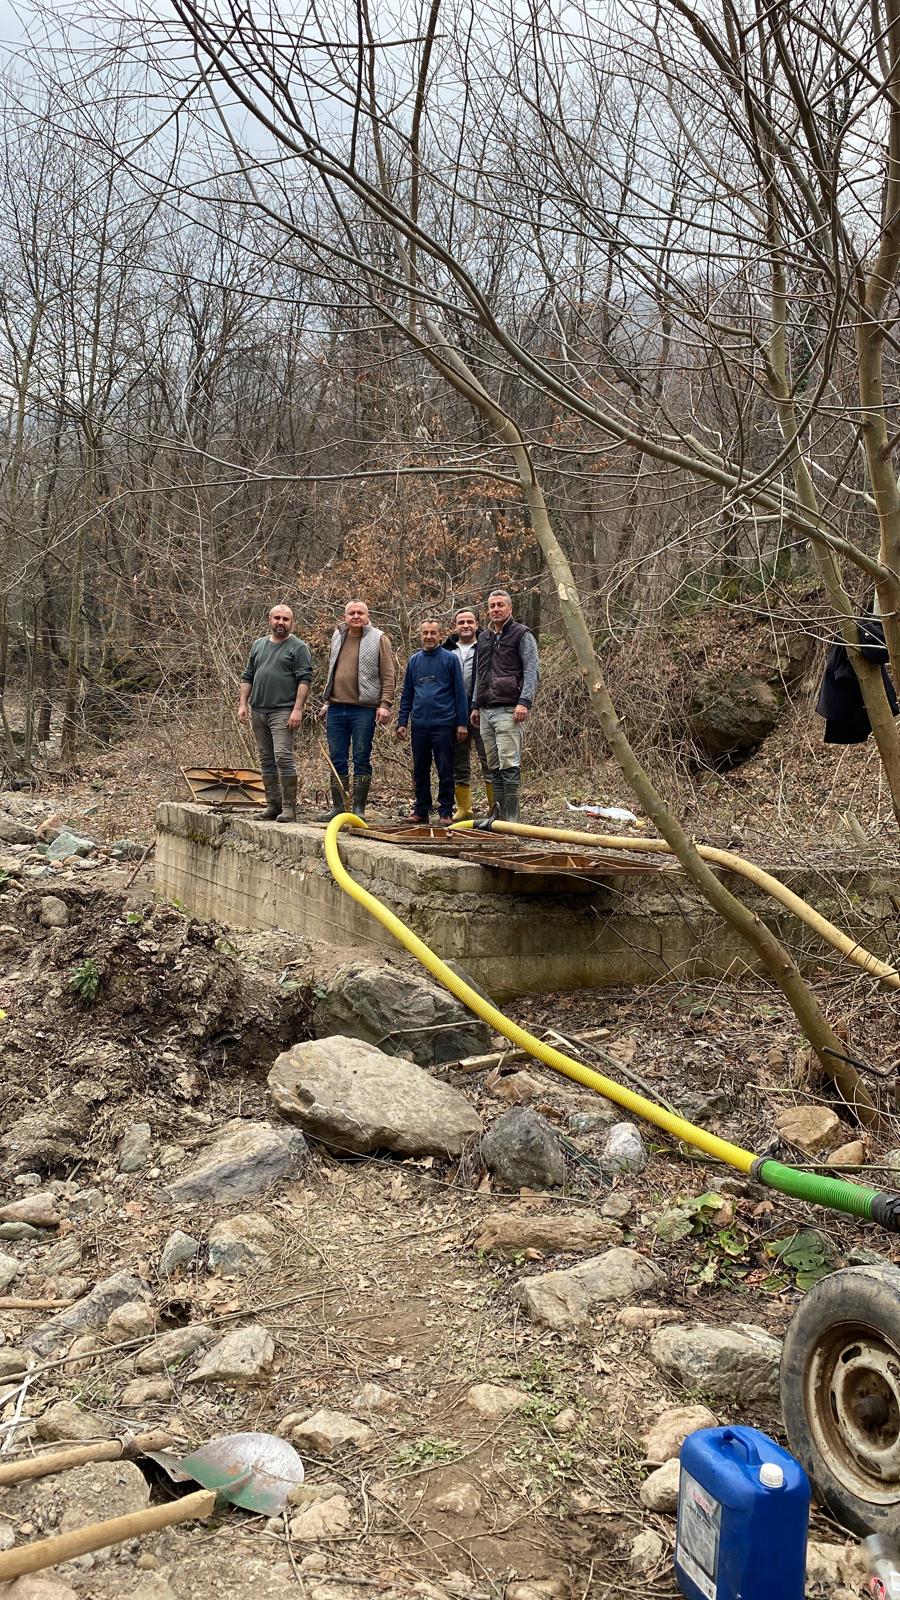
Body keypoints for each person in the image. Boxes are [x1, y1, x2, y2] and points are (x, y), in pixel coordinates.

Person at [319, 599, 396, 819]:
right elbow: (334, 670)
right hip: (336, 708)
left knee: (361, 756)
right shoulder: (338, 635)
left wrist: (385, 704)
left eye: (360, 613)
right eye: (351, 613)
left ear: (367, 615)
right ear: (345, 616)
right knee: (337, 758)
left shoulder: (379, 638)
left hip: (364, 709)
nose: (355, 616)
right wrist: (327, 701)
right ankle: (338, 807)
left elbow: (388, 674)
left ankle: (358, 809)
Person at [237, 603, 312, 822]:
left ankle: (289, 808)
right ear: (270, 620)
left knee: (283, 757)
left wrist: (297, 709)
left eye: (285, 619)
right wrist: (243, 704)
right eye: (277, 618)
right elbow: (248, 675)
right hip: (258, 710)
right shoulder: (258, 645)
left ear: (292, 622)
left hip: (283, 711)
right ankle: (273, 805)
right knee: (266, 758)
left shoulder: (299, 648)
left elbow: (304, 680)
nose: (281, 622)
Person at [471, 590, 539, 822]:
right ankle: (497, 819)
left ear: (510, 608)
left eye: (500, 605)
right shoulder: (484, 638)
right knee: (493, 766)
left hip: (509, 709)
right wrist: (475, 705)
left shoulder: (522, 634)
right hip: (485, 710)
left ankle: (512, 821)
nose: (496, 609)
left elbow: (532, 670)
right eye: (492, 606)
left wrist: (524, 701)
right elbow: (479, 674)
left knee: (509, 764)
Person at [396, 620, 469, 824]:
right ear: (420, 635)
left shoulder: (450, 659)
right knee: (420, 769)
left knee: (445, 769)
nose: (429, 637)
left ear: (440, 635)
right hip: (419, 724)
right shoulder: (414, 661)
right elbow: (407, 694)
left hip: (444, 724)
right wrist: (402, 721)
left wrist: (462, 723)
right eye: (425, 633)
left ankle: (445, 811)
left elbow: (459, 693)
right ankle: (421, 810)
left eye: (433, 633)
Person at [443, 607, 493, 820]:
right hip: (455, 714)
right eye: (461, 622)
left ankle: (494, 808)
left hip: (483, 711)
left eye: (469, 622)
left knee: (489, 759)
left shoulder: (488, 645)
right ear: (454, 626)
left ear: (477, 624)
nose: (465, 625)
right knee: (459, 762)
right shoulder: (446, 649)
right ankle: (464, 808)